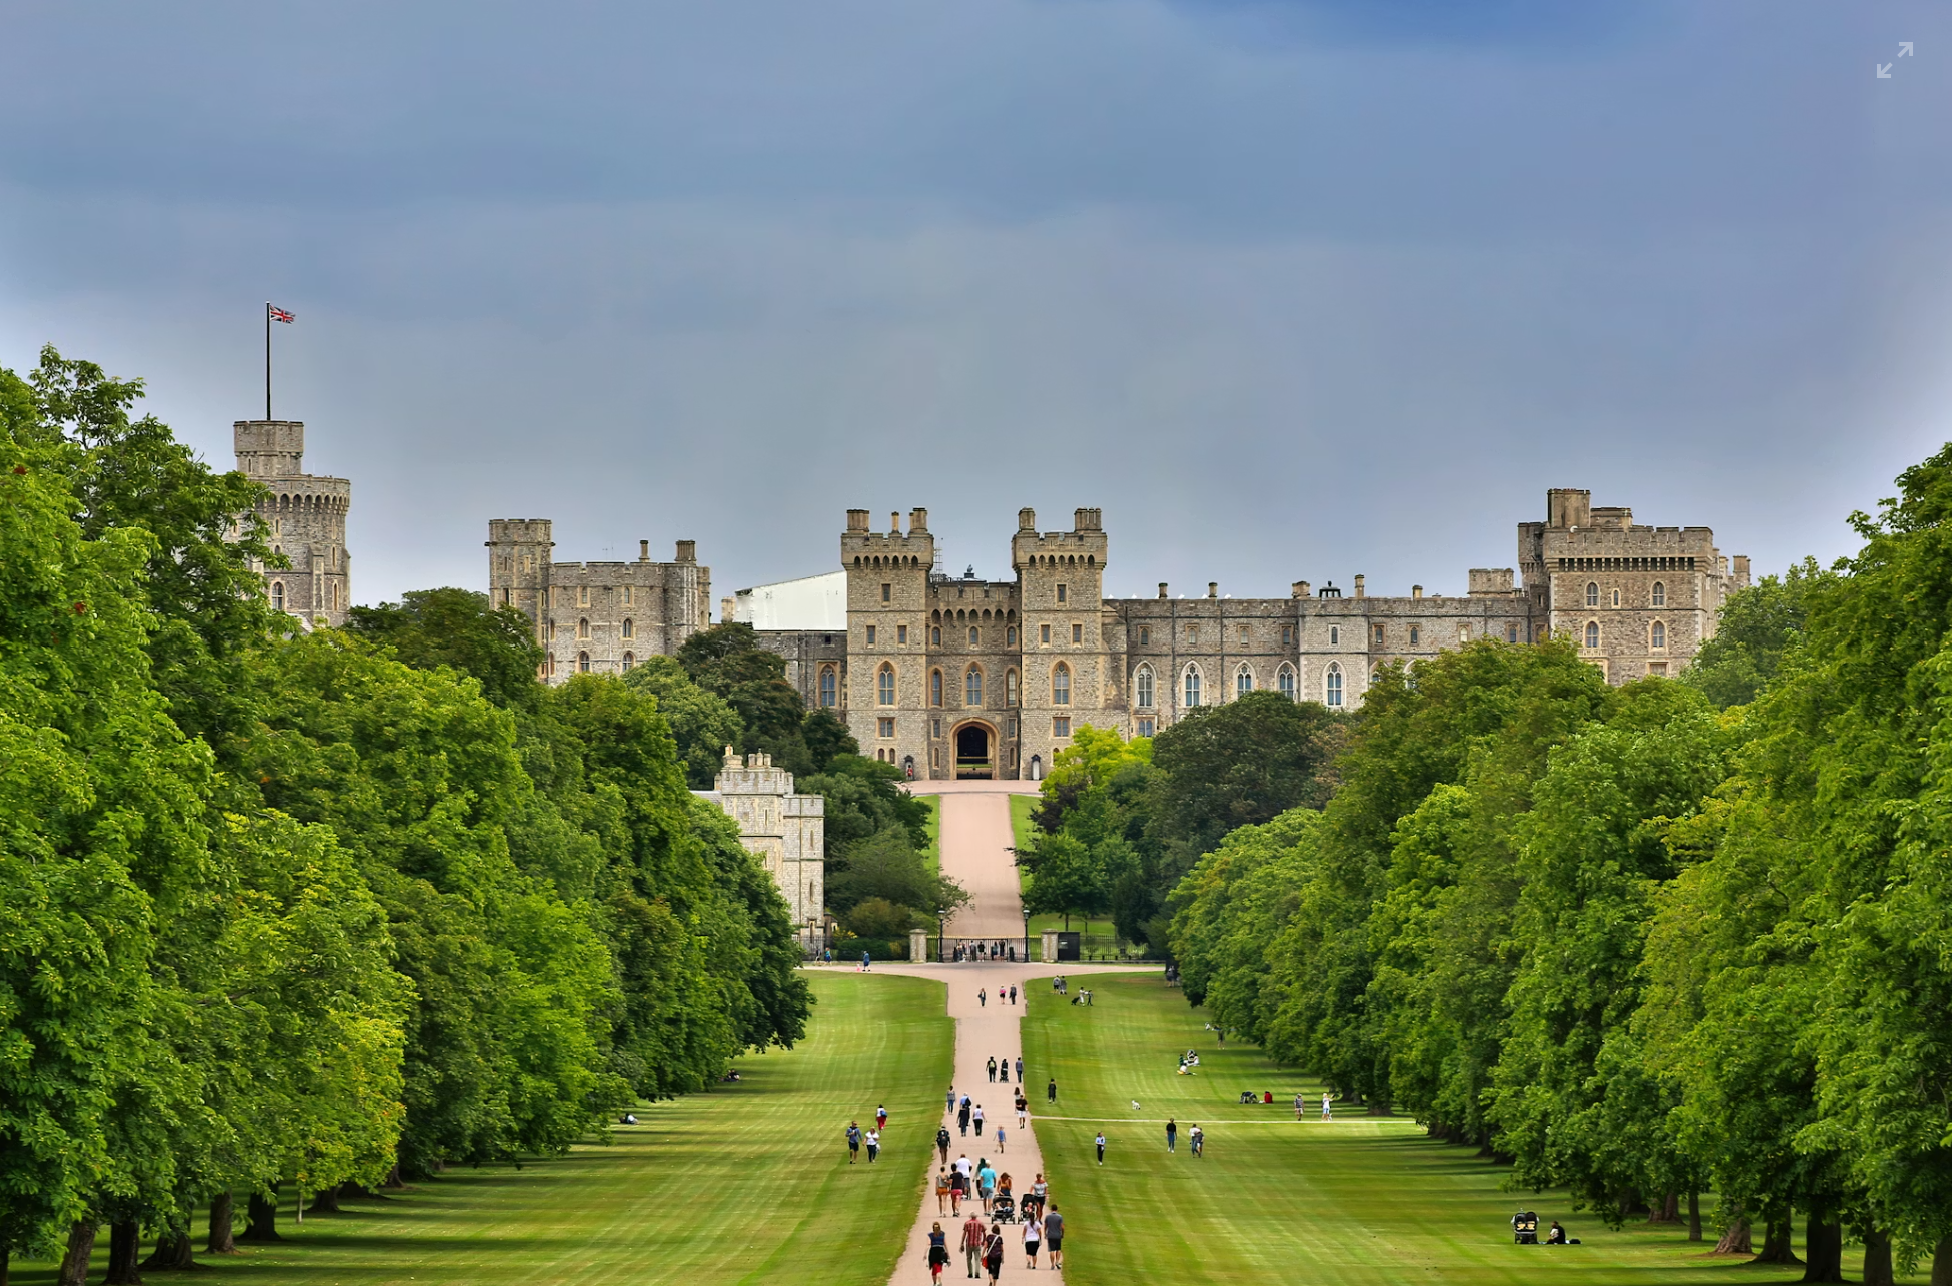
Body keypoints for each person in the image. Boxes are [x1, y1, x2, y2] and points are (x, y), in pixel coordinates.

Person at [961, 1211, 986, 1279]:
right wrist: (983, 1241)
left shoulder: (967, 1223)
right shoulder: (981, 1223)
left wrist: (962, 1243)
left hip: (969, 1243)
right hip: (977, 1243)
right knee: (977, 1258)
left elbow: (964, 1234)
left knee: (969, 1258)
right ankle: (977, 1272)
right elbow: (984, 1233)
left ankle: (970, 1273)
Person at [1043, 1204, 1064, 1270]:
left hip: (1050, 1235)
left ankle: (1052, 1264)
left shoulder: (1048, 1217)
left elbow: (1045, 1226)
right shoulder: (1060, 1217)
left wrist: (1045, 1234)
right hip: (1058, 1235)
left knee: (1052, 1250)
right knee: (1058, 1249)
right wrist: (1062, 1234)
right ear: (1056, 1209)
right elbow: (1062, 1227)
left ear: (1051, 1209)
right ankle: (1057, 1261)